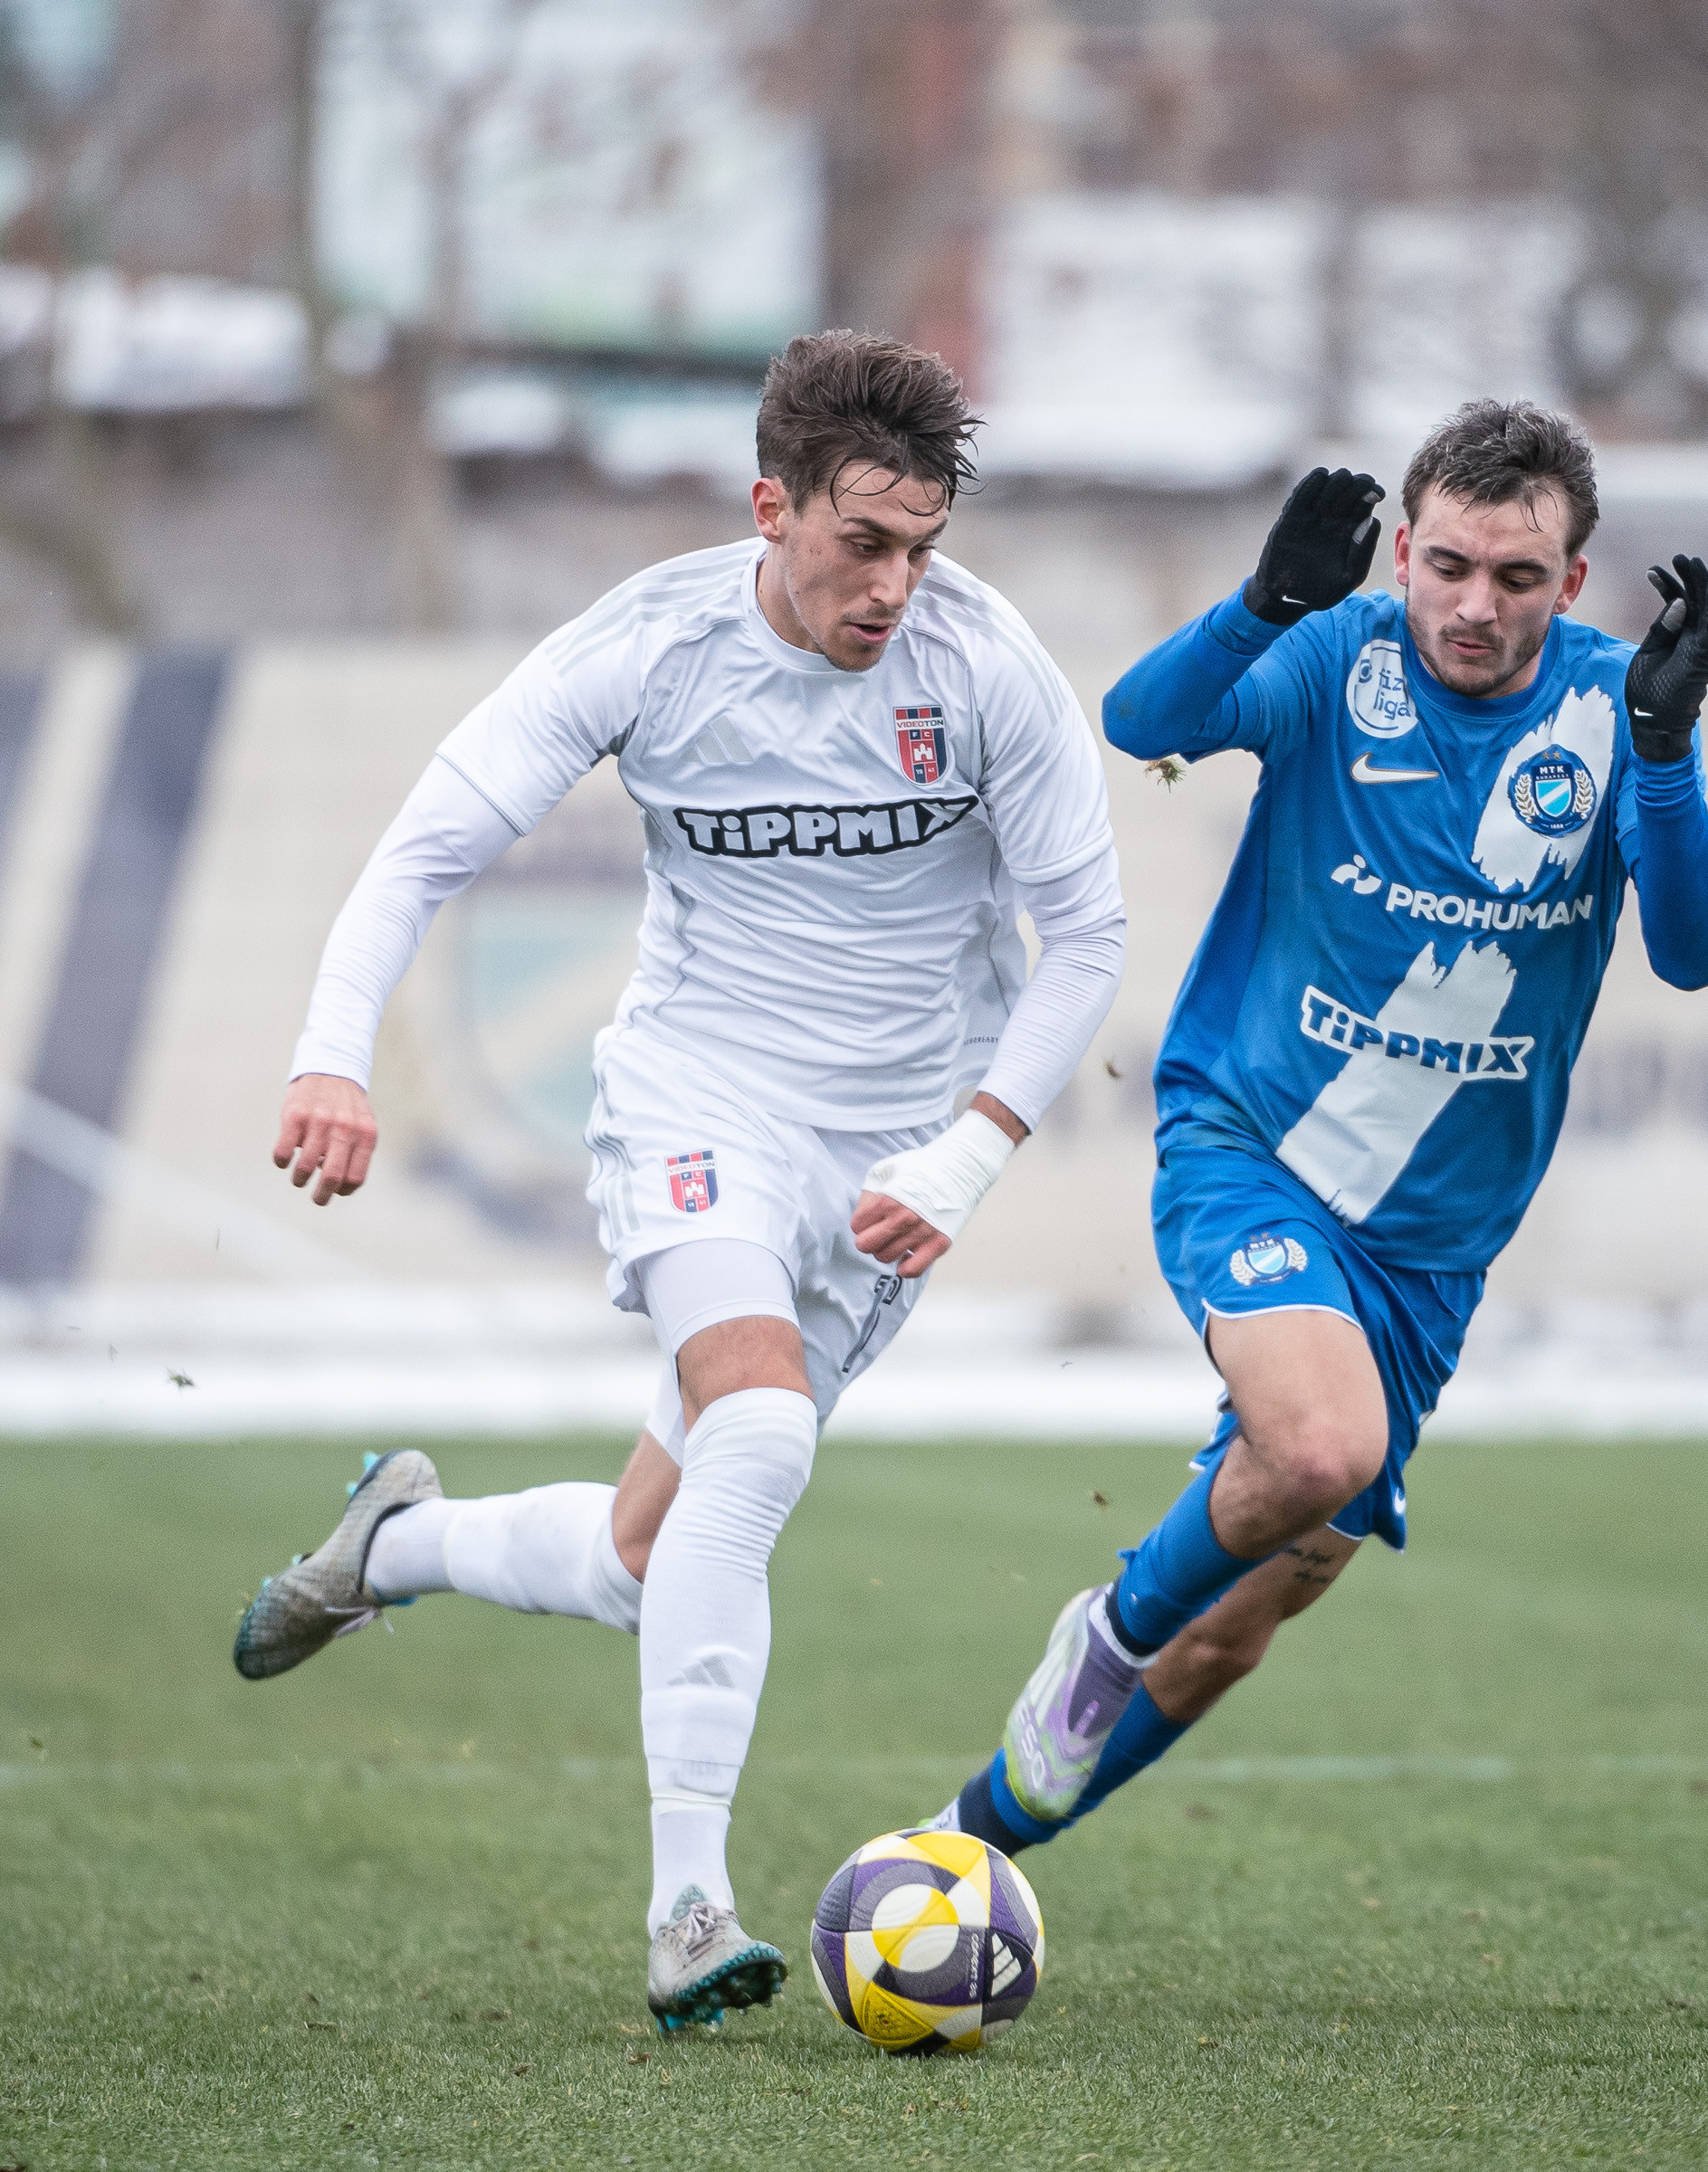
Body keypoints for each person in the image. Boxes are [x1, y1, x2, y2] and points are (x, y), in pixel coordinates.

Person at [234, 331, 1125, 2031]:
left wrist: (970, 1151)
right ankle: (687, 1912)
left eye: (924, 546)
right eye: (864, 542)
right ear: (771, 508)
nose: (896, 585)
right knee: (761, 1433)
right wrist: (331, 1052)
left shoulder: (988, 668)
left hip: (898, 1160)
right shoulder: (651, 646)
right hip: (700, 1096)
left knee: (645, 1560)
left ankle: (395, 1544)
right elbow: (424, 849)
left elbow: (1086, 936)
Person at [925, 399, 1708, 1859]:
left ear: (1572, 582)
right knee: (1316, 1450)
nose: (1475, 607)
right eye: (1450, 567)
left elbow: (1692, 953)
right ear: (1403, 551)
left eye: (1519, 578)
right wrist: (1259, 605)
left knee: (1231, 1636)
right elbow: (1142, 723)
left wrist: (1666, 750)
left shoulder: (1613, 712)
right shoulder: (1332, 654)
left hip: (1431, 1255)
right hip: (1255, 1148)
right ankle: (1105, 1635)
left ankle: (958, 1856)